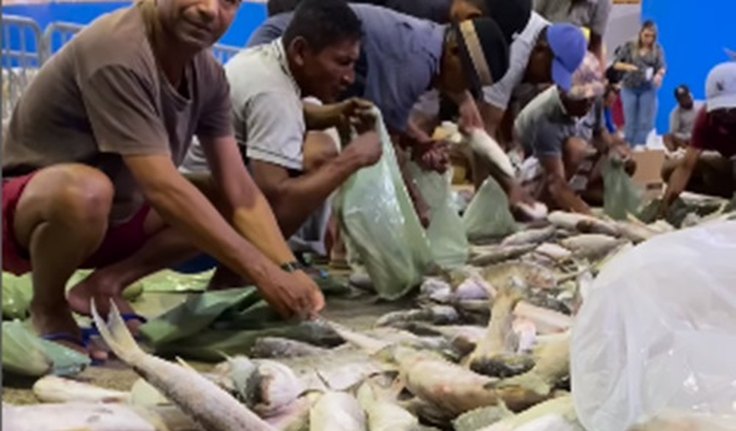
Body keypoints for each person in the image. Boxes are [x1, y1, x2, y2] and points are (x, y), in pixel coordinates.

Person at [1, 0, 324, 361]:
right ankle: (49, 305)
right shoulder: (116, 51)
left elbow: (241, 193)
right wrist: (262, 273)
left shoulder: (209, 76)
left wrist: (287, 269)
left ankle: (106, 284)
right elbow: (162, 186)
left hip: (116, 216)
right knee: (88, 191)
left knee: (216, 197)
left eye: (229, 2)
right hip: (26, 215)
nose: (209, 10)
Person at [247, 2, 513, 225]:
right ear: (454, 53)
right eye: (466, 80)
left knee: (343, 149)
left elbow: (380, 117)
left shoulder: (431, 43)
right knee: (320, 157)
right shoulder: (416, 64)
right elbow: (384, 138)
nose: (462, 90)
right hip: (287, 57)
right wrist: (416, 203)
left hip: (309, 64)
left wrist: (418, 141)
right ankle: (272, 259)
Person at [181, 0, 382, 287]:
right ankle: (231, 284)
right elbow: (276, 200)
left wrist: (334, 114)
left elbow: (283, 116)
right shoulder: (274, 93)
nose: (349, 77)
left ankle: (236, 278)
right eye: (342, 62)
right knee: (315, 167)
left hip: (186, 213)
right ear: (300, 52)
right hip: (185, 232)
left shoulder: (264, 60)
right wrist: (351, 160)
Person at [515, 52, 631, 214]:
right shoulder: (545, 115)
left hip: (569, 166)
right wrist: (586, 214)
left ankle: (577, 195)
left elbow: (600, 133)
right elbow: (554, 180)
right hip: (534, 166)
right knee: (575, 148)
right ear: (563, 93)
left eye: (591, 99)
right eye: (582, 99)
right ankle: (545, 205)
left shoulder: (594, 98)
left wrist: (615, 148)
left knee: (616, 160)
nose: (588, 104)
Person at [661, 62, 736, 212]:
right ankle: (727, 199)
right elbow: (686, 166)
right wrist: (665, 208)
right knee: (668, 170)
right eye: (721, 112)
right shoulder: (705, 118)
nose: (727, 116)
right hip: (727, 162)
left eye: (733, 111)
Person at [613, 20, 667, 147]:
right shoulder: (629, 46)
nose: (648, 39)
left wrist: (659, 75)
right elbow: (616, 64)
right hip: (629, 87)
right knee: (630, 121)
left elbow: (662, 66)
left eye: (652, 36)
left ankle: (641, 149)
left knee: (645, 122)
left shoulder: (657, 50)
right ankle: (630, 148)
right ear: (640, 33)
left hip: (647, 88)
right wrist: (628, 67)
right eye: (646, 35)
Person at [533, 0, 612, 68]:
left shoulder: (603, 2)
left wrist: (598, 78)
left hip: (560, 60)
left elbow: (596, 43)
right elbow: (529, 20)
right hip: (533, 46)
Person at [663, 85, 704, 151]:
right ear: (678, 100)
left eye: (686, 96)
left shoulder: (702, 105)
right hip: (687, 140)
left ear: (690, 95)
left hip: (703, 136)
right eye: (682, 98)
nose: (685, 100)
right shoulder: (675, 114)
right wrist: (688, 137)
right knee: (667, 137)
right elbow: (674, 133)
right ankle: (686, 151)